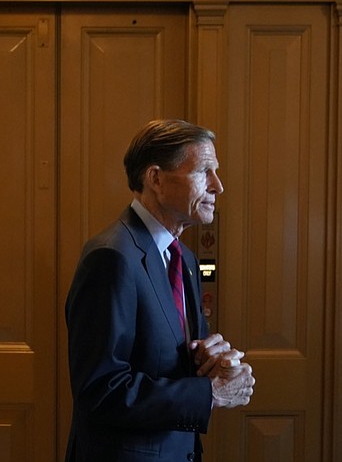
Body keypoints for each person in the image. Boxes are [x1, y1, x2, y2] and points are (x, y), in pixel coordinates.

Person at [65, 119, 255, 462]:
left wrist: (211, 361)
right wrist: (209, 395)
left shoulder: (185, 258)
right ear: (155, 179)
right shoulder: (111, 257)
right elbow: (100, 391)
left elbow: (169, 359)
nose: (218, 186)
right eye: (204, 171)